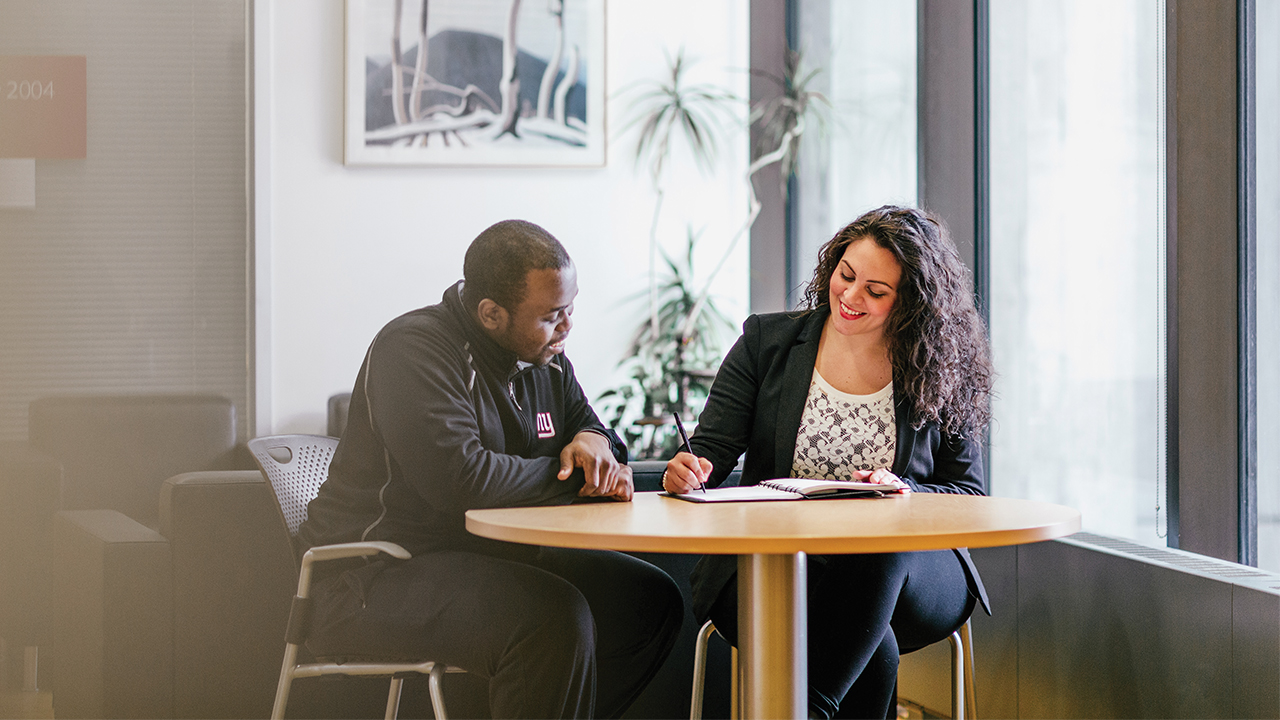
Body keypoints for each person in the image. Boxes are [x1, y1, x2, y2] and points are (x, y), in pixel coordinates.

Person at [296, 220, 684, 719]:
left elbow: (596, 434)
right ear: (491, 314)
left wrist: (593, 440)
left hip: (481, 557)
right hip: (370, 575)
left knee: (647, 602)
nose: (567, 327)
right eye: (551, 315)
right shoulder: (412, 349)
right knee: (551, 617)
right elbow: (464, 480)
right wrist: (573, 480)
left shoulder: (545, 355)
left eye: (570, 308)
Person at [663, 205, 994, 719]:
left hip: (908, 572)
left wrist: (904, 493)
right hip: (773, 567)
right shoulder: (765, 344)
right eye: (846, 274)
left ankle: (810, 709)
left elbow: (968, 496)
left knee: (882, 533)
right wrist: (689, 468)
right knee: (870, 647)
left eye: (876, 291)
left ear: (912, 305)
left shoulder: (940, 367)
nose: (850, 296)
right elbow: (710, 452)